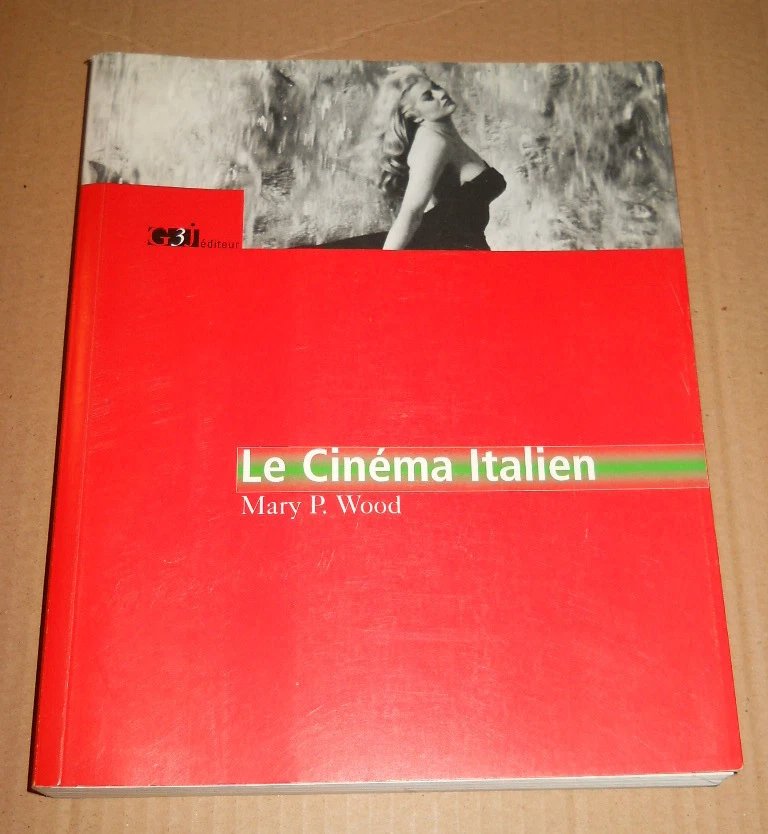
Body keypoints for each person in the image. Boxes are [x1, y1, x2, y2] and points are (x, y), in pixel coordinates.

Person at [316, 66, 506, 250]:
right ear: (415, 115)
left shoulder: (445, 136)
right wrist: (384, 265)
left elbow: (449, 205)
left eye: (435, 86)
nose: (441, 94)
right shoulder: (434, 143)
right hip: (444, 250)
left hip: (461, 245)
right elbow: (411, 214)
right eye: (428, 97)